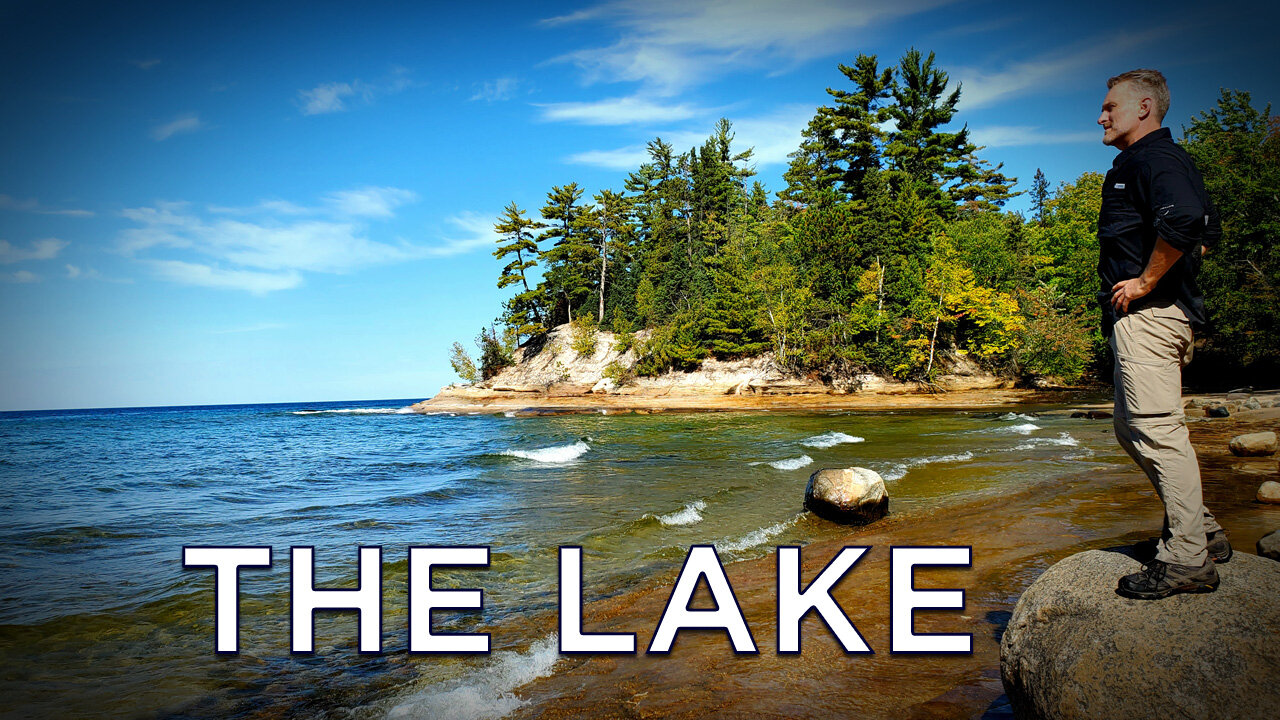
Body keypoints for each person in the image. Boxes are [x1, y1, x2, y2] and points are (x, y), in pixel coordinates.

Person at [1094, 69, 1231, 600]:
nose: (1101, 116)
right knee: (1133, 429)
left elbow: (1189, 221)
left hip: (1152, 318)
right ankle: (1204, 530)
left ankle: (1187, 560)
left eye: (1110, 107)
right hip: (1154, 318)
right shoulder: (1158, 162)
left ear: (1144, 107)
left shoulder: (1155, 159)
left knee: (1156, 431)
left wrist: (1148, 281)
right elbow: (1205, 234)